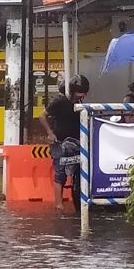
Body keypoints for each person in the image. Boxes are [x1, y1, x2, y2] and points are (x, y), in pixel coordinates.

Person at [42, 74, 89, 212]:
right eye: (81, 93)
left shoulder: (80, 104)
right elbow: (42, 115)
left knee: (80, 172)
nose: (83, 96)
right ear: (73, 90)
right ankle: (59, 204)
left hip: (78, 142)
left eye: (84, 93)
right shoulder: (59, 101)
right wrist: (50, 133)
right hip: (60, 142)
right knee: (60, 174)